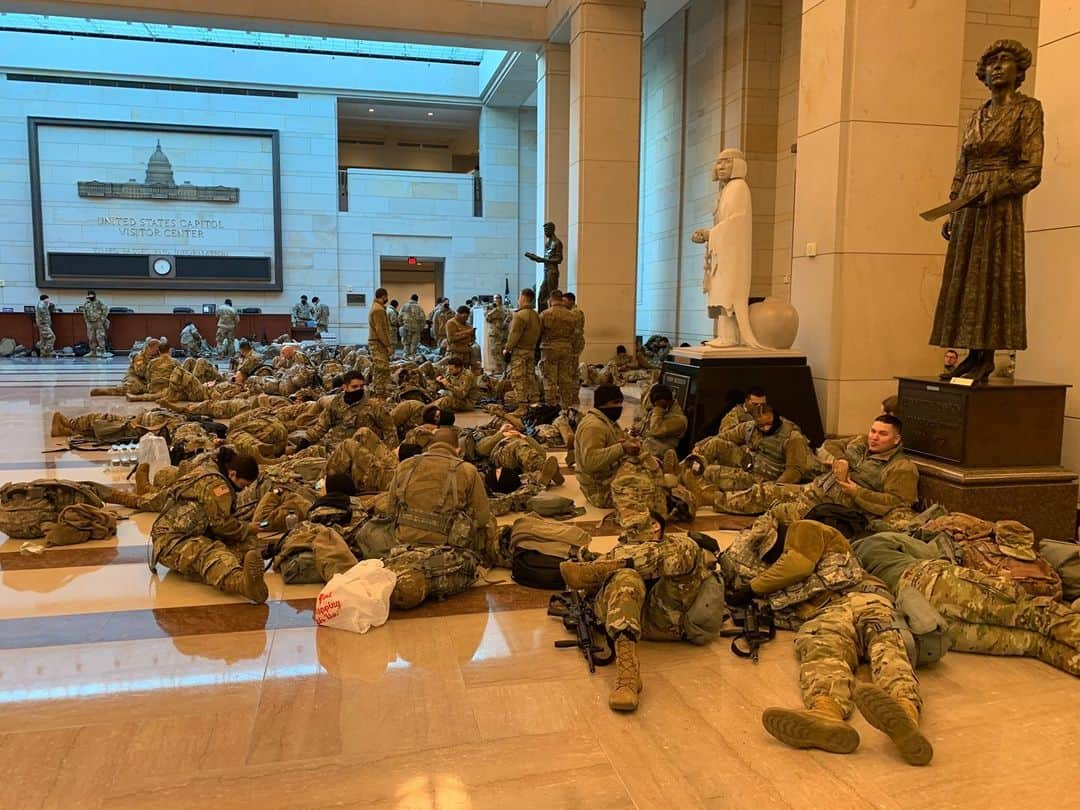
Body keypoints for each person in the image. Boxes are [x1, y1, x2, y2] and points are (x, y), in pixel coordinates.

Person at [723, 519, 931, 765]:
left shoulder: (804, 529)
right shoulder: (778, 575)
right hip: (829, 610)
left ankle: (904, 713)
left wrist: (752, 588)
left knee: (886, 643)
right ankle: (826, 712)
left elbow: (797, 565)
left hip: (862, 596)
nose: (773, 561)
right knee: (822, 648)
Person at [930, 39, 1043, 382]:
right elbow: (962, 164)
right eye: (991, 62)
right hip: (969, 204)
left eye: (1004, 60)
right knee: (966, 278)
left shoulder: (1028, 110)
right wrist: (954, 205)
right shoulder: (976, 115)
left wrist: (996, 190)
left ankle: (988, 354)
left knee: (993, 275)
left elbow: (1031, 168)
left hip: (998, 207)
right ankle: (972, 353)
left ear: (1019, 70)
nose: (996, 66)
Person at [853, 531, 1080, 677]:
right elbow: (930, 551)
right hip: (932, 579)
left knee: (1032, 643)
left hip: (924, 618)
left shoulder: (849, 567)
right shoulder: (878, 539)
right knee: (1032, 612)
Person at [559, 513, 725, 712]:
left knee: (686, 549)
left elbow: (677, 556)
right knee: (627, 578)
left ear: (655, 526)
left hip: (667, 617)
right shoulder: (616, 551)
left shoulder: (679, 545)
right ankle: (628, 678)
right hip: (625, 616)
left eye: (637, 526)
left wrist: (616, 564)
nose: (629, 531)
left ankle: (613, 567)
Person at [715, 414, 918, 528]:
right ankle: (712, 499)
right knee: (766, 491)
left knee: (776, 516)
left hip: (833, 506)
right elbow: (829, 444)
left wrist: (857, 492)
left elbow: (897, 503)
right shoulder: (861, 443)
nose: (874, 437)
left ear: (896, 440)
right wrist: (842, 460)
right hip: (816, 488)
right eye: (873, 431)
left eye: (882, 434)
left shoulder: (901, 468)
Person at [381, 427, 498, 609]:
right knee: (490, 523)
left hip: (402, 543)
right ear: (457, 448)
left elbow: (389, 510)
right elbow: (482, 517)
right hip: (446, 548)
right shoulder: (467, 470)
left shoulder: (405, 465)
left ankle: (407, 573)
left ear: (431, 445)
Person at [149, 448, 267, 603]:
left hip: (189, 533)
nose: (244, 489)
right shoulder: (218, 487)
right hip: (171, 542)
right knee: (209, 552)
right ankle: (241, 583)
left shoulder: (210, 468)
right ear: (232, 474)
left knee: (248, 544)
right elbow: (222, 526)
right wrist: (248, 528)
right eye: (243, 484)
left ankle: (205, 570)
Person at [575, 383, 666, 540]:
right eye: (615, 403)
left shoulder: (606, 422)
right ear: (603, 403)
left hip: (608, 478)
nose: (619, 407)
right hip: (599, 490)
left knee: (651, 476)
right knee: (647, 489)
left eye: (620, 402)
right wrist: (622, 448)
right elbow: (590, 463)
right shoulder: (594, 427)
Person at [688, 403, 814, 494]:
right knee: (715, 443)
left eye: (768, 424)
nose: (765, 428)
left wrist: (774, 489)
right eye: (761, 425)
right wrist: (700, 446)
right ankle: (684, 470)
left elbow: (794, 471)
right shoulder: (750, 428)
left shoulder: (792, 437)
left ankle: (696, 486)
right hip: (748, 463)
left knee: (710, 471)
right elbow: (725, 436)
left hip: (764, 479)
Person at [301, 369, 394, 448]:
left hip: (361, 451)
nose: (359, 389)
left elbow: (389, 431)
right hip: (334, 448)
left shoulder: (374, 405)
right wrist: (305, 441)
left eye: (361, 386)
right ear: (345, 387)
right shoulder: (335, 403)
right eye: (354, 387)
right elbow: (321, 427)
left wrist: (388, 453)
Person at [538, 289, 579, 410]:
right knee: (565, 378)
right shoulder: (571, 315)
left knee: (549, 378)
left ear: (551, 300)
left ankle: (551, 406)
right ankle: (566, 406)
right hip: (566, 349)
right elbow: (574, 333)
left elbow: (539, 331)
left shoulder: (545, 314)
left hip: (549, 349)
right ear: (561, 300)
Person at [503, 287, 541, 410]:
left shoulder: (520, 315)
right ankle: (535, 401)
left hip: (519, 351)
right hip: (531, 350)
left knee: (518, 377)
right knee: (530, 376)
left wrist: (507, 348)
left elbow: (515, 334)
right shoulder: (536, 315)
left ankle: (522, 406)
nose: (518, 299)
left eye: (519, 297)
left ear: (523, 298)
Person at [633, 383, 688, 460]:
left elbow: (656, 431)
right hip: (643, 450)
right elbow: (645, 430)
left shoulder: (679, 420)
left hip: (658, 457)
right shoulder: (658, 412)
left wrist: (658, 408)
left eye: (656, 404)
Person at [524, 221, 563, 312]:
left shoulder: (557, 243)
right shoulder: (547, 243)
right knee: (541, 296)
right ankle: (541, 316)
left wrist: (542, 260)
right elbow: (546, 258)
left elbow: (559, 259)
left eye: (546, 230)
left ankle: (551, 314)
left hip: (552, 271)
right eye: (544, 230)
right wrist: (535, 258)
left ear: (552, 230)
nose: (545, 233)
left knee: (550, 296)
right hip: (546, 271)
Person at [368, 288, 393, 398]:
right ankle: (379, 396)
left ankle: (379, 393)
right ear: (384, 296)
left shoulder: (377, 308)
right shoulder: (378, 310)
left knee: (379, 369)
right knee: (382, 369)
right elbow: (380, 330)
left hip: (378, 343)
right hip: (378, 343)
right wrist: (388, 346)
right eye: (386, 296)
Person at [564, 291, 585, 402]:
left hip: (573, 346)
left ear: (571, 301)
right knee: (571, 371)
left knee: (572, 372)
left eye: (565, 301)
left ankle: (573, 396)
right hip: (572, 346)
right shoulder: (571, 312)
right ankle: (572, 395)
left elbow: (574, 332)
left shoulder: (575, 313)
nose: (563, 303)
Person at [485, 294, 509, 374]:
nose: (497, 300)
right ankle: (500, 368)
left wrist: (504, 324)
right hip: (494, 333)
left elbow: (509, 317)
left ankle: (501, 369)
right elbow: (487, 318)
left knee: (499, 351)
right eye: (495, 298)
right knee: (494, 351)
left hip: (501, 333)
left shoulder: (504, 308)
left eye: (498, 298)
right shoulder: (492, 308)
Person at [81, 290, 109, 358]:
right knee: (91, 338)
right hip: (90, 323)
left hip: (98, 322)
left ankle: (102, 351)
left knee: (100, 337)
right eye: (89, 295)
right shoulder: (86, 304)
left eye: (92, 295)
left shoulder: (99, 302)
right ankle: (92, 352)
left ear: (94, 295)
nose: (91, 297)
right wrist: (87, 321)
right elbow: (84, 313)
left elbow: (105, 310)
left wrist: (102, 319)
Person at [400, 294, 426, 359]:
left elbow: (399, 317)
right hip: (416, 330)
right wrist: (420, 329)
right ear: (417, 299)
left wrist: (402, 325)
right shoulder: (419, 308)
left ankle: (406, 358)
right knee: (414, 345)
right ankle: (412, 358)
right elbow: (423, 319)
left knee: (406, 344)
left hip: (406, 328)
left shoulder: (404, 306)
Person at [35, 293, 55, 358]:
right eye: (48, 299)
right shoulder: (41, 305)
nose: (48, 300)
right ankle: (46, 350)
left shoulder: (43, 304)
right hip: (44, 324)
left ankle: (42, 353)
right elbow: (43, 314)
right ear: (45, 299)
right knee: (52, 337)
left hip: (43, 324)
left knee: (43, 340)